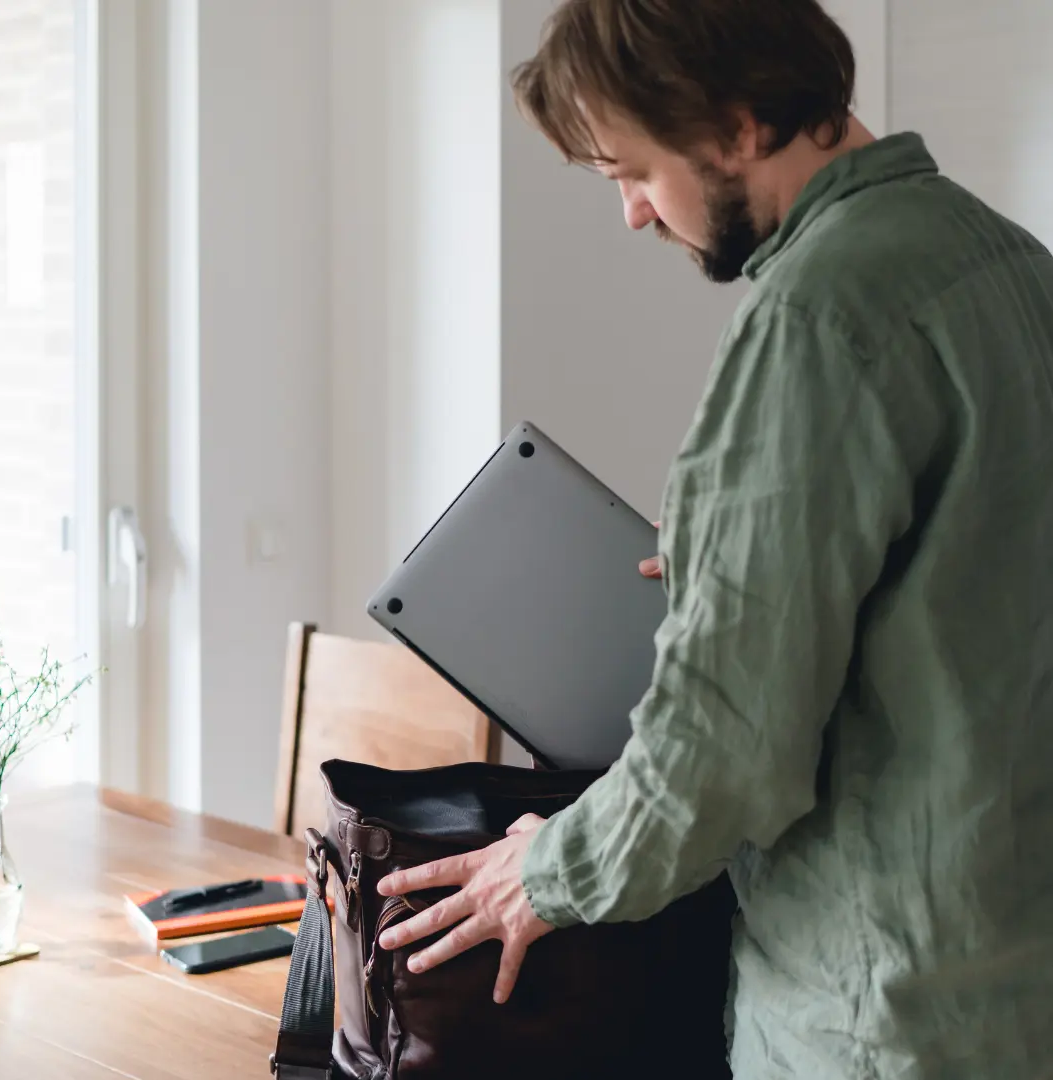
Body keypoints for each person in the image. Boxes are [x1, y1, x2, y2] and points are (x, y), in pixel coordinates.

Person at [376, 1, 1053, 1076]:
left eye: (634, 171)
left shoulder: (812, 319)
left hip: (872, 1019)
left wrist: (542, 871)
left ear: (738, 124)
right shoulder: (1012, 266)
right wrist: (741, 558)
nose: (635, 213)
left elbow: (721, 756)